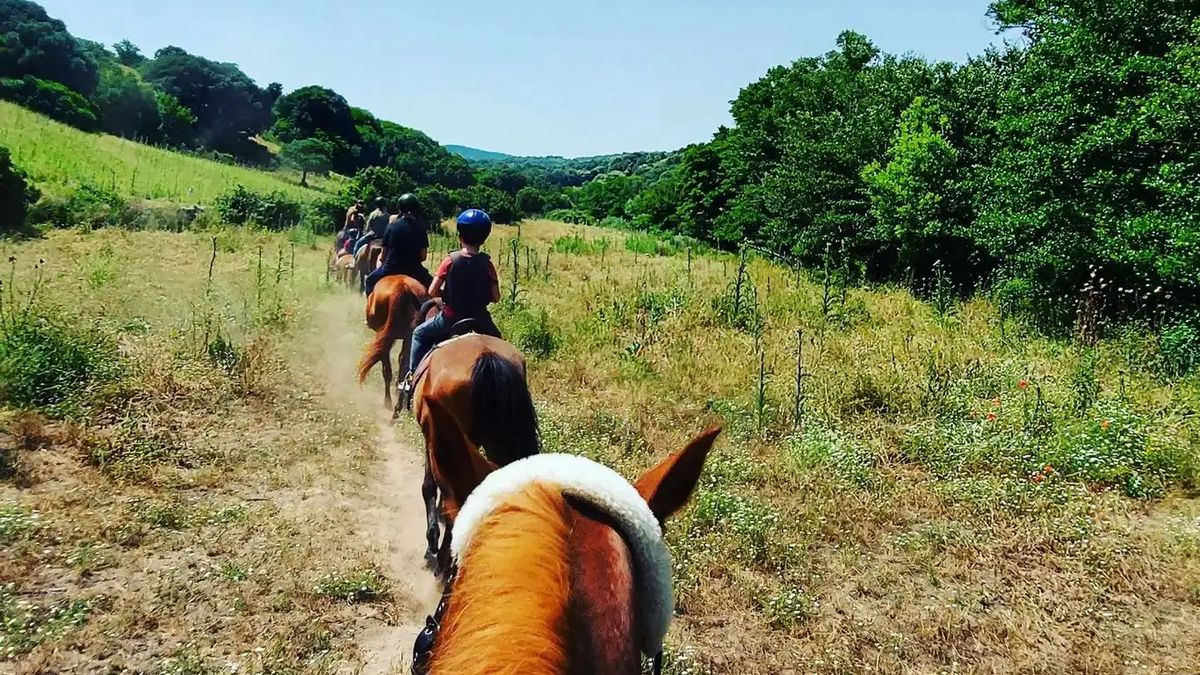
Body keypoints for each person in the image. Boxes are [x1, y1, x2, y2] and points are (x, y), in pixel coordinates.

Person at [403, 209, 502, 388]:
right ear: (484, 237)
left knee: (419, 334)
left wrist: (449, 294)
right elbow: (496, 297)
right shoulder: (487, 264)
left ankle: (412, 378)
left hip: (450, 318)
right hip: (481, 319)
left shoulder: (450, 260)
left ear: (460, 235)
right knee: (500, 345)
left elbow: (432, 292)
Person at [363, 193, 433, 295]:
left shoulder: (391, 226)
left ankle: (370, 309)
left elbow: (383, 255)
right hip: (414, 270)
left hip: (391, 268)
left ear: (400, 208)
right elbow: (423, 257)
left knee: (369, 281)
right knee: (433, 288)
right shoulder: (421, 228)